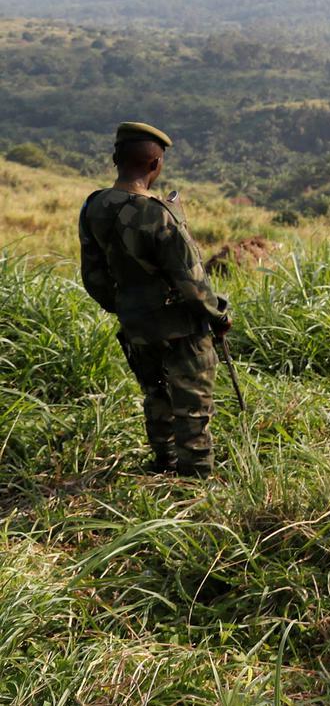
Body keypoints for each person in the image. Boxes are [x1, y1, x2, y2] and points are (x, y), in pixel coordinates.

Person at [79, 122, 231, 477]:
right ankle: (195, 480)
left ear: (116, 158)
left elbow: (94, 277)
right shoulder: (159, 214)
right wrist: (218, 315)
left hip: (135, 324)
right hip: (179, 327)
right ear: (154, 165)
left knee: (156, 394)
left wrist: (126, 306)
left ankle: (164, 462)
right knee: (192, 404)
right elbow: (192, 283)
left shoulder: (94, 206)